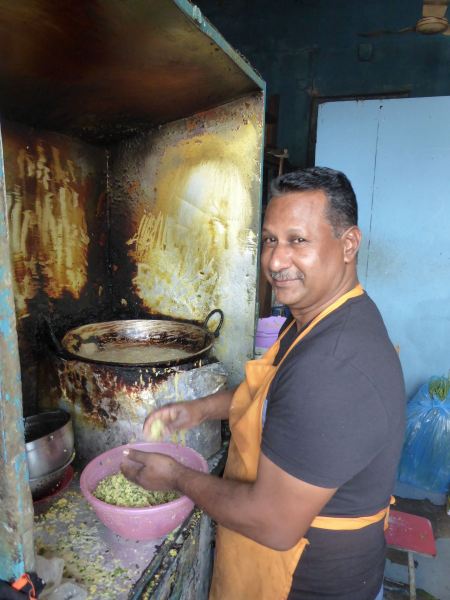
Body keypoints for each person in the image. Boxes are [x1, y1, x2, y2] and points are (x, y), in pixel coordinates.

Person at [121, 167, 406, 600]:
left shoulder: (331, 364)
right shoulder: (322, 317)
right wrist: (200, 409)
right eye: (270, 240)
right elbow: (273, 392)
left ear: (348, 244)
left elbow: (273, 523)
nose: (275, 261)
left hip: (305, 582)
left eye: (298, 240)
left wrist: (176, 477)